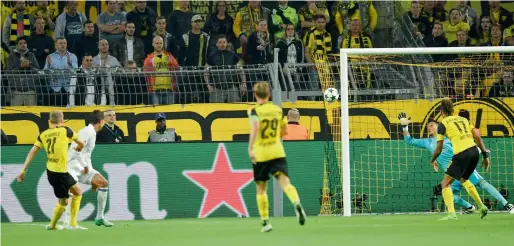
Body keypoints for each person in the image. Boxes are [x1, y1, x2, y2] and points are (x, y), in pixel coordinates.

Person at [399, 112, 514, 214]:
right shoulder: (427, 142)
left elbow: (464, 147)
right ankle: (469, 207)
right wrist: (405, 126)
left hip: (462, 167)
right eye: (428, 126)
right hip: (452, 175)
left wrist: (479, 150)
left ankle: (507, 205)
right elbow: (409, 141)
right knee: (447, 195)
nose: (429, 128)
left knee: (482, 184)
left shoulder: (448, 138)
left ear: (439, 126)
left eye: (432, 125)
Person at [247, 82, 306, 232]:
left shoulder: (253, 111)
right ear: (269, 94)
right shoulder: (277, 110)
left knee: (261, 189)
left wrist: (250, 148)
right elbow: (284, 130)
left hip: (261, 153)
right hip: (277, 151)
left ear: (255, 94)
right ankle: (296, 203)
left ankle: (266, 222)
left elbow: (255, 129)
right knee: (285, 183)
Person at [16, 110, 86, 230]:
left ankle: (73, 224)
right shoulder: (66, 130)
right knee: (64, 202)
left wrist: (23, 170)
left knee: (78, 192)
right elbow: (81, 143)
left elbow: (32, 152)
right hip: (59, 173)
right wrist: (79, 147)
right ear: (62, 121)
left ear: (49, 121)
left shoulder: (43, 135)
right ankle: (53, 225)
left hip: (54, 171)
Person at [430, 99, 490, 220]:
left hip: (461, 154)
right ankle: (482, 206)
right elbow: (477, 136)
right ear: (452, 110)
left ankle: (452, 214)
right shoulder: (464, 119)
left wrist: (432, 160)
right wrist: (485, 156)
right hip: (474, 152)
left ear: (441, 111)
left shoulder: (443, 124)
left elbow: (439, 148)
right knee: (464, 179)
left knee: (445, 183)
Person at [65, 110, 113, 227]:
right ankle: (67, 223)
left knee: (103, 183)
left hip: (83, 167)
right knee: (72, 193)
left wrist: (90, 173)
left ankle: (99, 217)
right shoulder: (87, 131)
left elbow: (85, 154)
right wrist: (86, 167)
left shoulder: (92, 132)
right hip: (72, 166)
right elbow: (77, 150)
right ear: (101, 121)